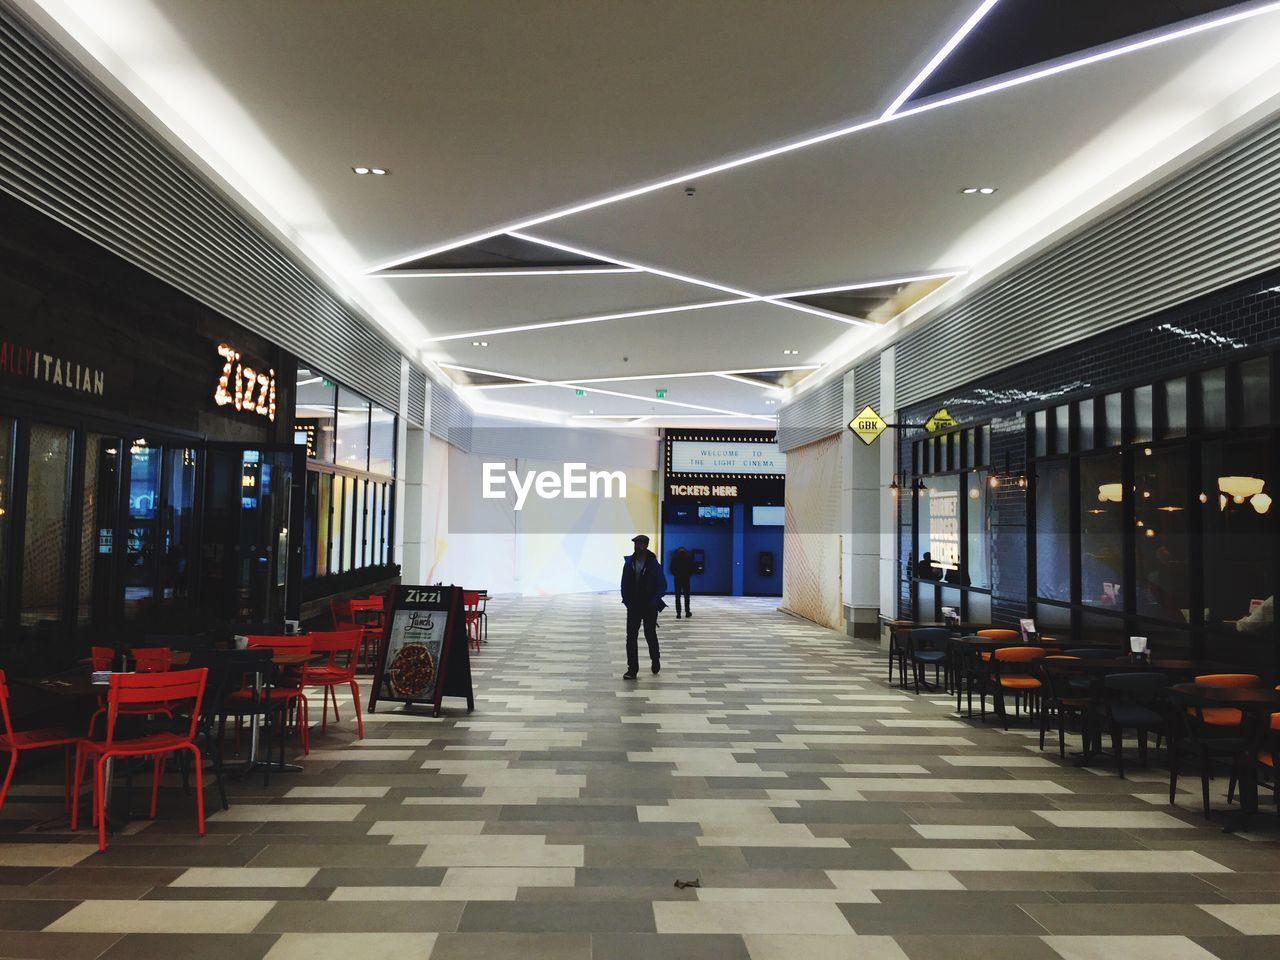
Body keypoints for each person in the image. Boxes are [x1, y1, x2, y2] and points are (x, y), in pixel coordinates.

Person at [621, 534, 665, 680]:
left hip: (649, 606)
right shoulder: (629, 563)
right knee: (631, 637)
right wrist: (627, 601)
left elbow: (662, 585)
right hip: (633, 606)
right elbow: (624, 584)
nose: (636, 546)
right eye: (635, 544)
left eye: (639, 544)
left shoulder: (654, 564)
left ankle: (655, 659)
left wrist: (654, 601)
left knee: (649, 634)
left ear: (646, 545)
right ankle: (632, 669)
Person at [669, 546, 693, 619]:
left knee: (677, 596)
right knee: (686, 596)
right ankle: (687, 612)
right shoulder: (688, 557)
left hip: (677, 578)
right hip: (686, 578)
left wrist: (676, 574)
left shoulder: (675, 558)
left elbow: (671, 568)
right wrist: (688, 575)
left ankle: (678, 613)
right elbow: (692, 568)